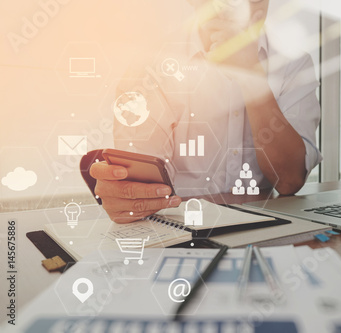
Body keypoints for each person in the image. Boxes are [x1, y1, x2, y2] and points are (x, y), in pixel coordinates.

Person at [90, 0, 322, 223]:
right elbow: (139, 182)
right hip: (178, 227)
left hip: (263, 228)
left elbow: (290, 180)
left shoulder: (294, 64)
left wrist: (252, 77)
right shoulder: (151, 67)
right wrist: (125, 196)